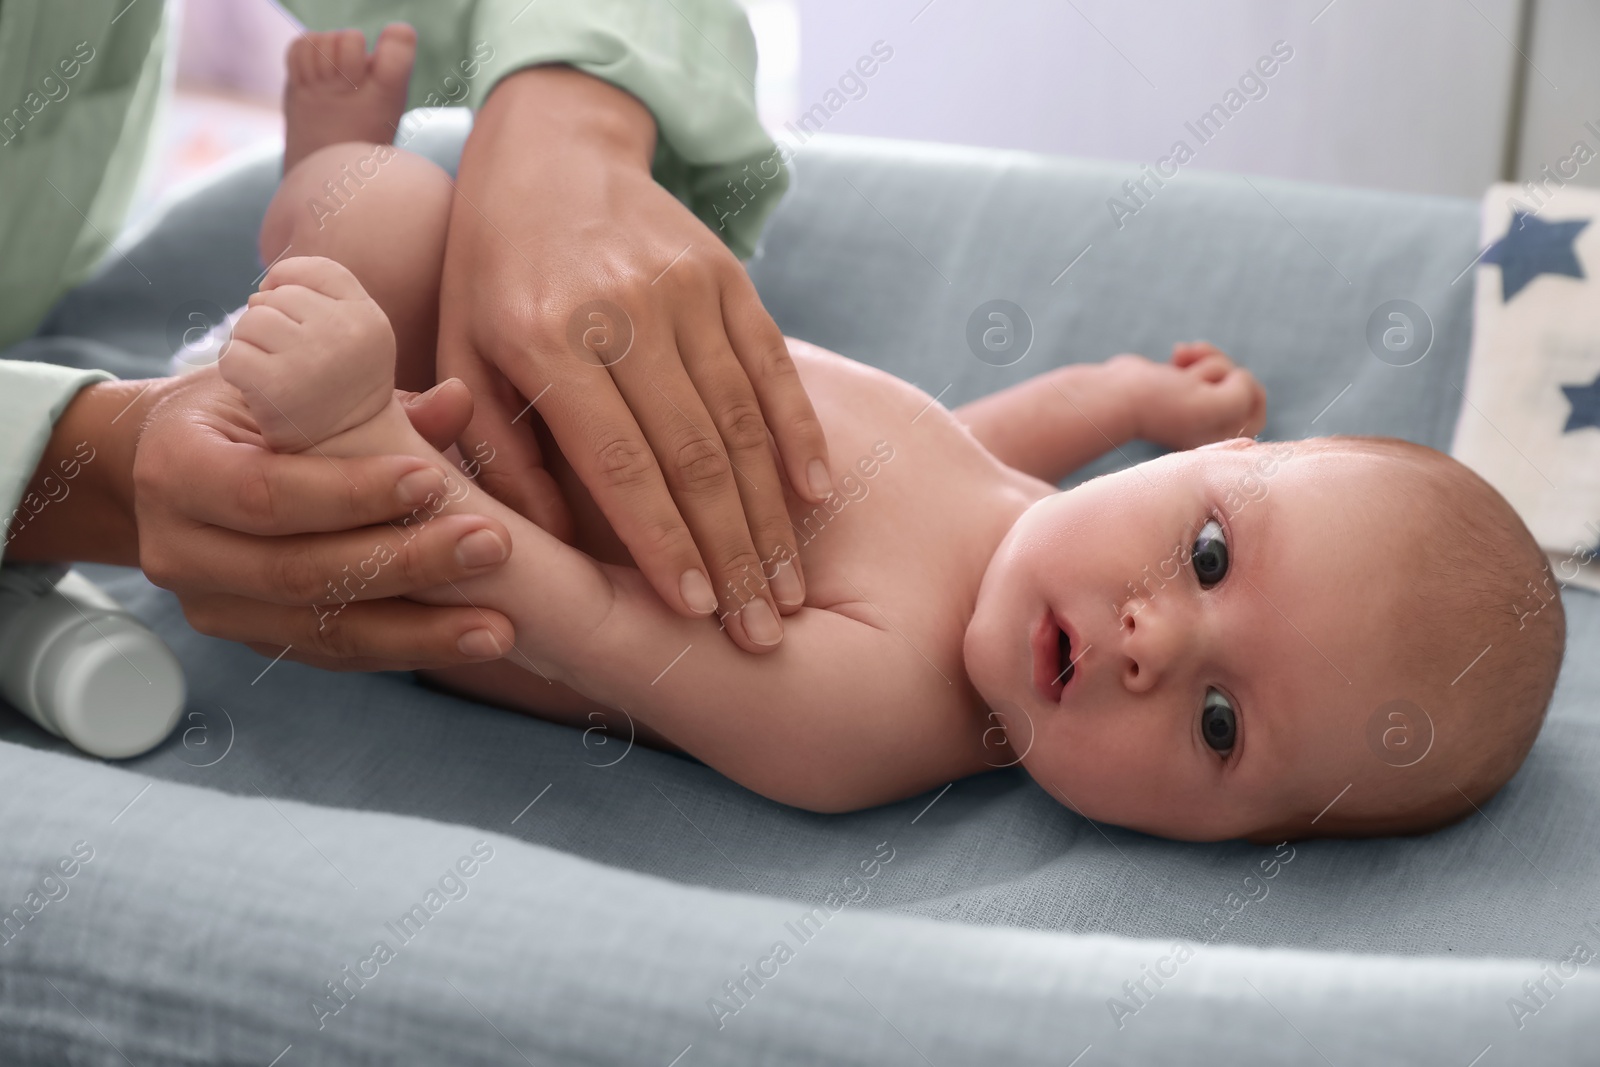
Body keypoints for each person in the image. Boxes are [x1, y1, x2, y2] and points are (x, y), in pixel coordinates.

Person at [206, 33, 1567, 840]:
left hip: (440, 510)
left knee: (372, 216)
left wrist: (368, 430)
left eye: (1219, 722)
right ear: (1190, 476)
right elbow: (968, 452)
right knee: (419, 225)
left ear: (1211, 840)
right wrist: (1126, 391)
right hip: (538, 339)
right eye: (1210, 551)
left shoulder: (871, 722)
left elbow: (575, 618)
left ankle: (305, 224)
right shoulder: (1028, 541)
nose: (1157, 639)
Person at [1, 0, 829, 668]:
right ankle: (325, 177)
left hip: (379, 421)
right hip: (429, 416)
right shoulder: (919, 668)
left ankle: (320, 194)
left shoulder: (897, 706)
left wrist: (575, 123)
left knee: (380, 232)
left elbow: (610, 634)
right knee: (385, 221)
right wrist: (69, 469)